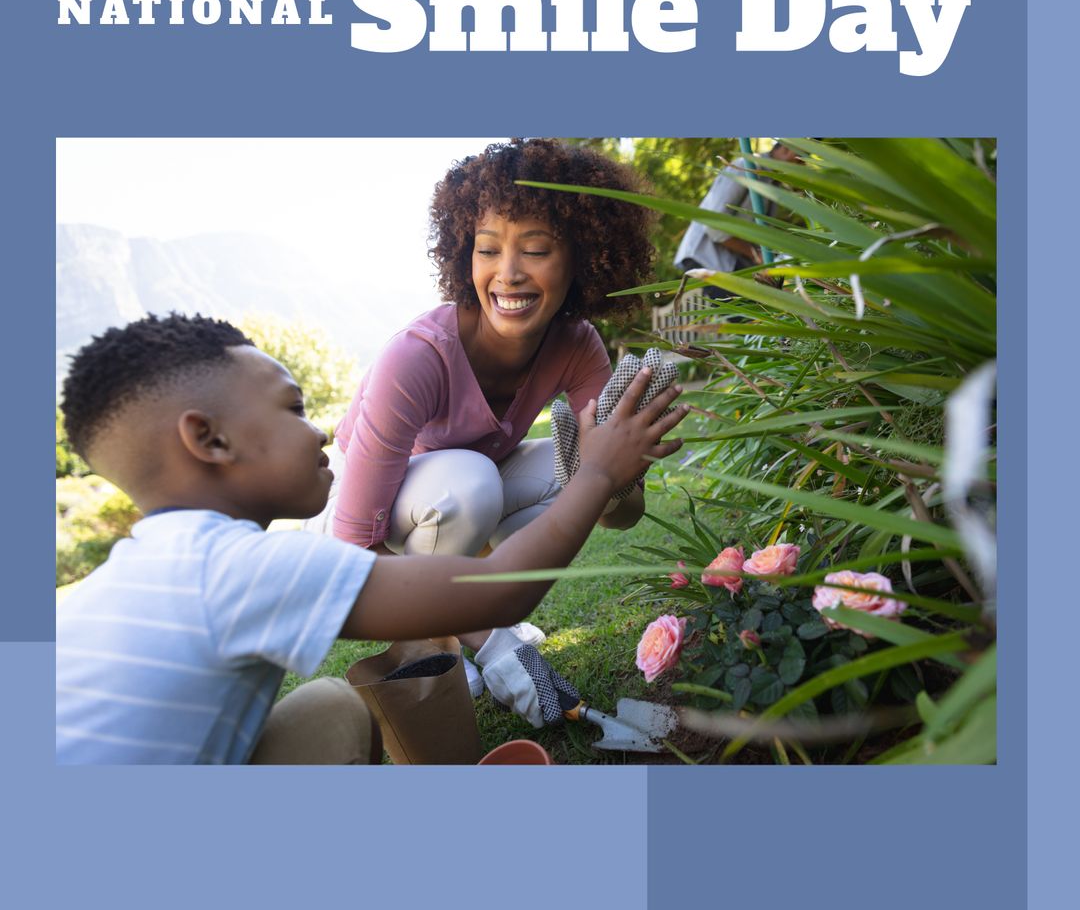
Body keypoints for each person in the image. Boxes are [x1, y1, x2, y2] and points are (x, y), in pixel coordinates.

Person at [55, 313, 687, 764]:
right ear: (211, 440)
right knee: (329, 716)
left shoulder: (128, 576)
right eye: (294, 408)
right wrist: (598, 471)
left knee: (328, 709)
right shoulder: (238, 567)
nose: (324, 434)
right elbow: (499, 594)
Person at [307, 138, 660, 694]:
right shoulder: (417, 356)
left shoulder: (576, 343)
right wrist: (490, 636)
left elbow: (617, 514)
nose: (509, 273)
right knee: (470, 484)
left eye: (537, 249)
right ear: (464, 253)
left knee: (558, 469)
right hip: (361, 514)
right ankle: (426, 637)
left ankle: (475, 604)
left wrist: (625, 465)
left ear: (583, 259)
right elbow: (355, 551)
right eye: (488, 248)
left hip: (456, 499)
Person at [673, 141, 801, 292]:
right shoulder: (745, 167)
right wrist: (755, 255)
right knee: (749, 313)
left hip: (733, 262)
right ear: (786, 149)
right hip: (708, 258)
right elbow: (714, 226)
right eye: (802, 159)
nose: (804, 166)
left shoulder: (772, 184)